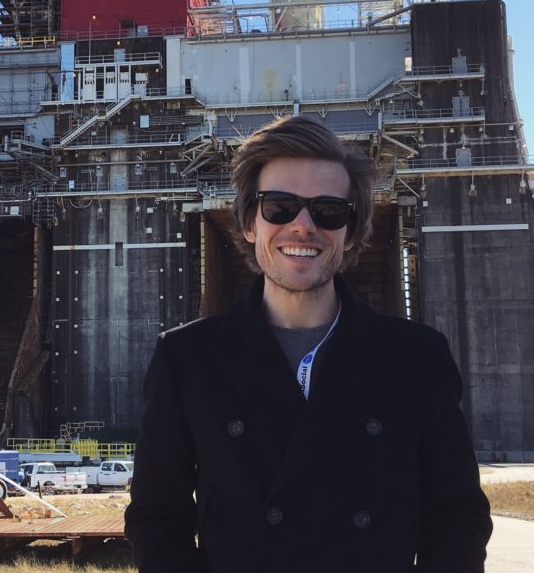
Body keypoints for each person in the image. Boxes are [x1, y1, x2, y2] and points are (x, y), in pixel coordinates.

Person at [125, 115, 491, 573]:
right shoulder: (186, 360)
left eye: (328, 210)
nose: (302, 226)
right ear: (249, 222)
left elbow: (456, 516)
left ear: (350, 230)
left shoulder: (418, 358)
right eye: (279, 206)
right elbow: (157, 516)